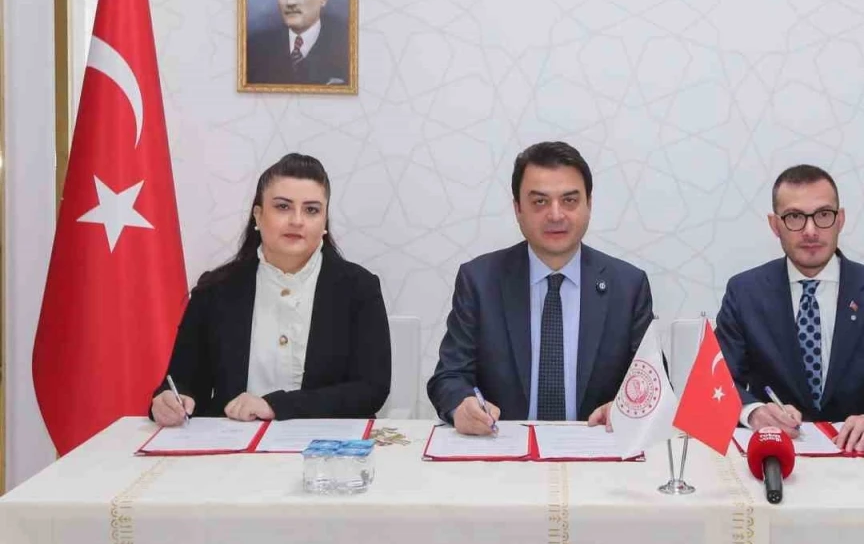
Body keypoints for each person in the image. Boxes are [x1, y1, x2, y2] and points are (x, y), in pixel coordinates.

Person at [427, 141, 655, 435]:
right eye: (540, 202)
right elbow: (449, 376)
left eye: (569, 200)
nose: (556, 215)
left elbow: (654, 385)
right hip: (502, 449)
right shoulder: (480, 281)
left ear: (589, 204)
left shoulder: (628, 286)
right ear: (518, 209)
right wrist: (462, 405)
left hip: (597, 449)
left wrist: (625, 409)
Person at [151, 153, 391, 425]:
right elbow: (183, 382)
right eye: (283, 207)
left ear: (324, 221)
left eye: (311, 210)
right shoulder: (214, 290)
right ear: (258, 215)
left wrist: (276, 406)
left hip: (325, 444)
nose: (297, 220)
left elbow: (371, 390)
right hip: (234, 443)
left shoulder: (359, 288)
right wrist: (169, 400)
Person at [715, 165, 864, 452]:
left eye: (823, 215)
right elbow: (717, 383)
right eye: (795, 217)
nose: (810, 231)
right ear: (775, 225)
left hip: (858, 454)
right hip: (775, 452)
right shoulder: (745, 292)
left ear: (840, 219)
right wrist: (754, 411)